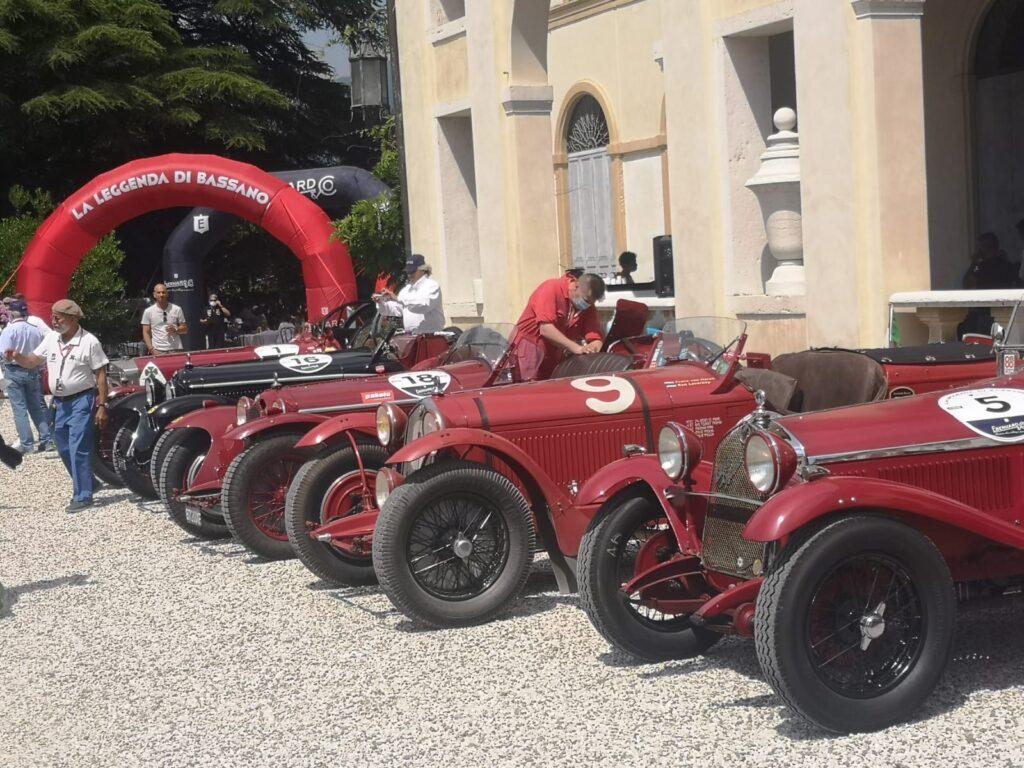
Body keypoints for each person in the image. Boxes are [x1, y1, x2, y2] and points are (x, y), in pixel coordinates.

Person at [4, 299, 109, 512]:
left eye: (58, 317)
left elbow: (101, 374)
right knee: (62, 447)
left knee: (77, 447)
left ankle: (82, 495)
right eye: (52, 316)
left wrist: (102, 405)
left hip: (82, 399)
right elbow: (32, 361)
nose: (53, 320)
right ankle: (89, 482)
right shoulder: (51, 338)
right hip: (60, 403)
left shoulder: (89, 342)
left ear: (73, 318)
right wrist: (17, 357)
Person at [511, 272, 607, 382]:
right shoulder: (551, 288)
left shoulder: (588, 306)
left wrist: (592, 348)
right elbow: (546, 329)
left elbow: (596, 337)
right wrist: (577, 348)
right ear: (575, 285)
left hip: (553, 358)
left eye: (591, 303)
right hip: (528, 351)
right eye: (585, 300)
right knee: (529, 392)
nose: (587, 305)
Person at [0, 300, 52, 454]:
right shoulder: (35, 329)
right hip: (32, 369)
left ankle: (27, 444)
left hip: (14, 370)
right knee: (36, 406)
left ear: (11, 313)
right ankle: (46, 439)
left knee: (19, 408)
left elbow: (4, 354)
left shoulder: (9, 331)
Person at [374, 254, 445, 333]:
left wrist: (397, 298)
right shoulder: (406, 289)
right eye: (408, 271)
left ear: (423, 270)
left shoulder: (432, 285)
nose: (410, 274)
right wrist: (381, 302)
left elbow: (423, 306)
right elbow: (397, 309)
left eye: (413, 271)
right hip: (411, 337)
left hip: (431, 336)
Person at [141, 283, 188, 355]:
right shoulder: (148, 311)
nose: (161, 295)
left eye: (163, 292)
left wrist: (176, 329)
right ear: (154, 295)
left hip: (175, 348)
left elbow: (185, 329)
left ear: (167, 294)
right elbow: (145, 332)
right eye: (158, 292)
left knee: (178, 366)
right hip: (158, 350)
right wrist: (151, 348)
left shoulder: (177, 309)